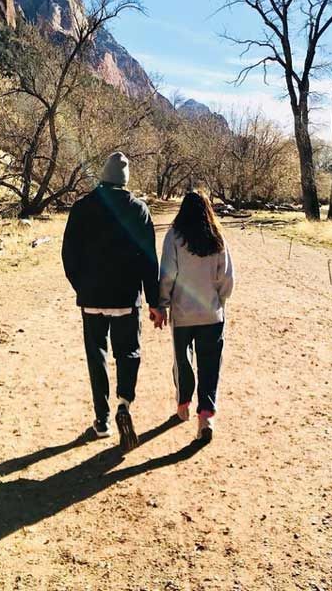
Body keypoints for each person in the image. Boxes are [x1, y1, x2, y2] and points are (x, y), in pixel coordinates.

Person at [62, 152, 163, 451]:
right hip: (125, 299)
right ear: (125, 180)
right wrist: (154, 300)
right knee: (129, 352)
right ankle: (124, 403)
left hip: (91, 298)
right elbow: (149, 260)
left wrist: (81, 286)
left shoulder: (81, 207)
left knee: (97, 356)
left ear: (103, 176)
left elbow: (69, 254)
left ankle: (103, 420)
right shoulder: (139, 210)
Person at [156, 190, 235, 443]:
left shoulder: (174, 237)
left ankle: (183, 406)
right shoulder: (217, 238)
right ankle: (206, 417)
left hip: (183, 314)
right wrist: (220, 301)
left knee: (183, 361)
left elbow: (167, 274)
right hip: (212, 314)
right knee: (210, 365)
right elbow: (227, 278)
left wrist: (164, 303)